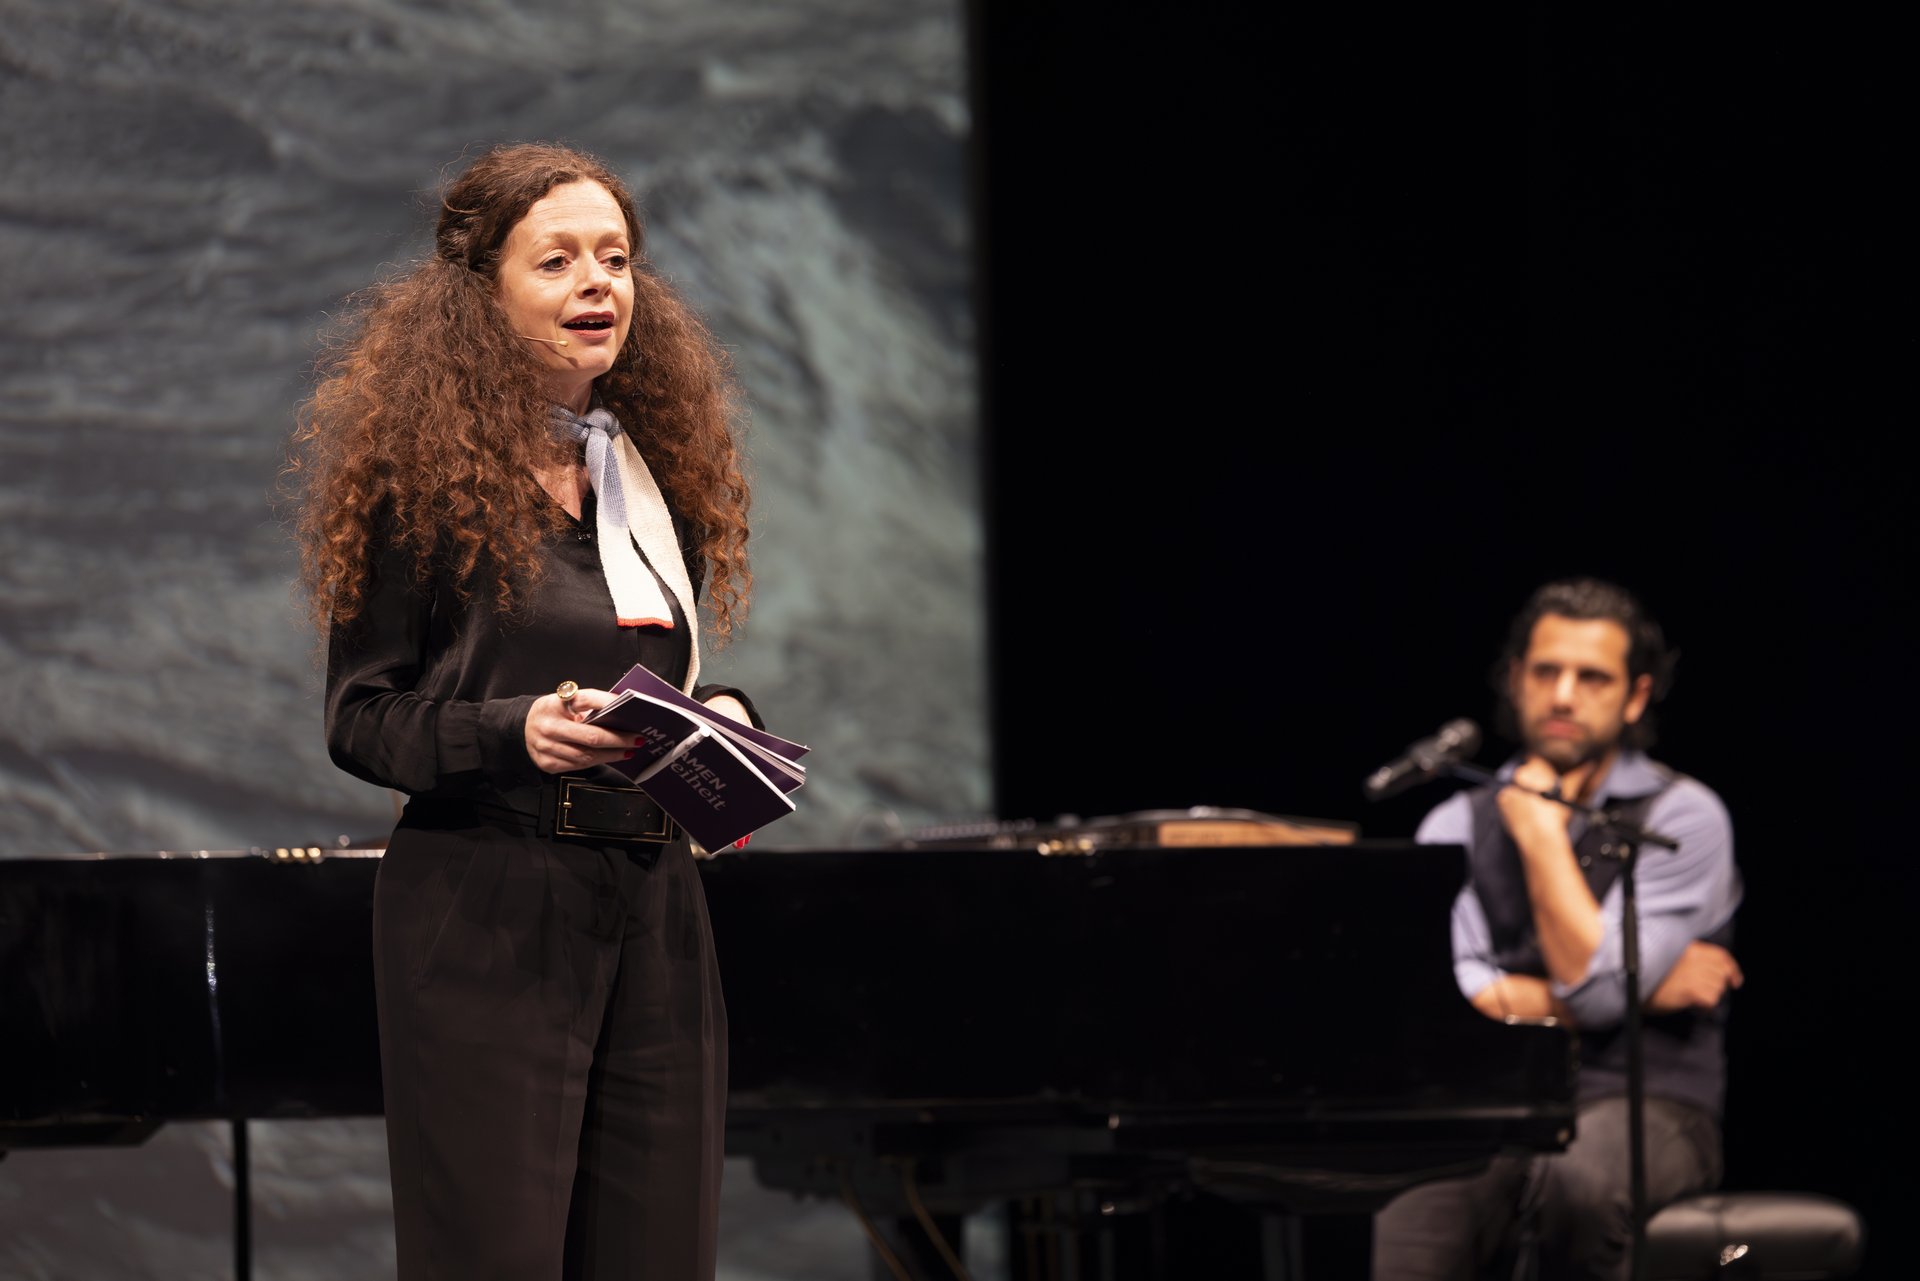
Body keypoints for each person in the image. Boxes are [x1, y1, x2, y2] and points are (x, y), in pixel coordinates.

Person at [287, 141, 758, 1280]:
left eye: (616, 258)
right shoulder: (421, 481)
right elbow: (364, 720)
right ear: (483, 296)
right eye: (557, 261)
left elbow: (657, 678)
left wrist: (718, 720)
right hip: (489, 903)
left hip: (653, 903)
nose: (599, 283)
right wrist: (515, 731)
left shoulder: (651, 476)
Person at [1371, 578, 1744, 1281]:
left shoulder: (1683, 818)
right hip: (1495, 1099)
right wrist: (1650, 989)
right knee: (1417, 1196)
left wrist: (1541, 834)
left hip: (1645, 1101)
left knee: (1583, 1182)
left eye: (1592, 677)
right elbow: (1453, 994)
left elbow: (1598, 986)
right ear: (1515, 680)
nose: (1564, 694)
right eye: (1546, 671)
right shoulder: (1454, 823)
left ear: (1635, 696)